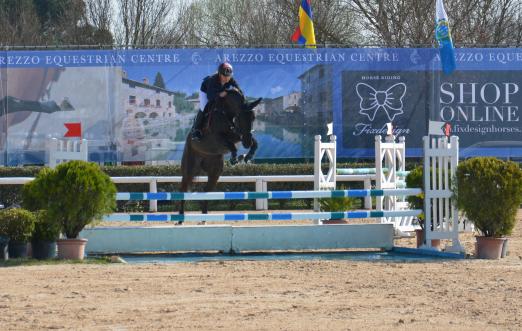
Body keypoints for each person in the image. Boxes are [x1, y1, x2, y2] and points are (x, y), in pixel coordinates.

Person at [191, 62, 241, 141]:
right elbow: (210, 97)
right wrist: (220, 94)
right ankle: (196, 130)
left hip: (219, 91)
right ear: (220, 74)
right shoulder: (212, 80)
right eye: (224, 76)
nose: (227, 78)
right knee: (204, 107)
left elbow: (239, 91)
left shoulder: (230, 79)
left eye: (228, 76)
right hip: (206, 91)